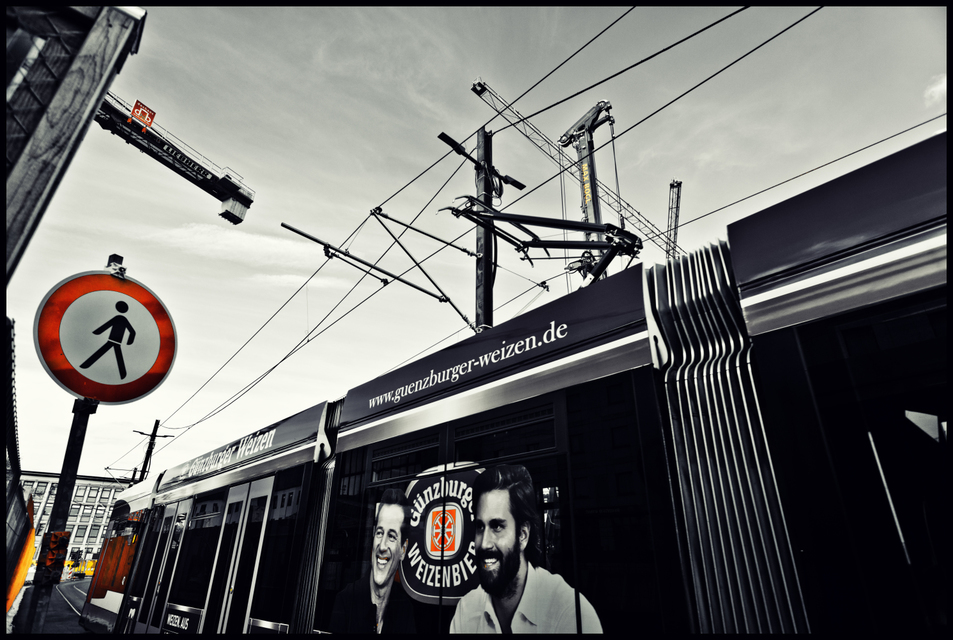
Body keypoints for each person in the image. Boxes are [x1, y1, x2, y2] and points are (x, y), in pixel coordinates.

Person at [450, 465, 602, 633]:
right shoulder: (466, 611)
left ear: (523, 535)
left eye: (497, 526)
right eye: (480, 527)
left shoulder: (570, 615)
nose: (484, 543)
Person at [330, 488, 416, 634]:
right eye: (380, 533)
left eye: (392, 536)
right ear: (373, 534)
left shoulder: (404, 609)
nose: (382, 546)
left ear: (403, 549)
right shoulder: (346, 601)